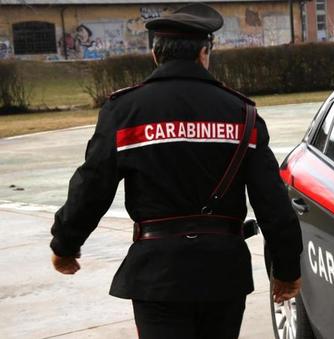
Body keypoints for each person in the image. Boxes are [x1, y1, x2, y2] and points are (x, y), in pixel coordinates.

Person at [49, 4, 303, 338]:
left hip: (158, 276)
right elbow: (272, 202)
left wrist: (65, 244)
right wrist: (286, 269)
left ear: (156, 54)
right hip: (223, 273)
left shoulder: (125, 112)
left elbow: (92, 185)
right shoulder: (243, 115)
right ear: (204, 53)